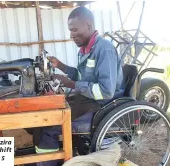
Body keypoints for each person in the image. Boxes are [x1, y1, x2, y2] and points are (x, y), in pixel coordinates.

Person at [35, 6, 125, 166]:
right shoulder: (84, 49)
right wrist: (61, 66)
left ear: (89, 26)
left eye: (75, 30)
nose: (71, 35)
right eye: (70, 31)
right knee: (49, 113)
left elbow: (106, 91)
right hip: (89, 101)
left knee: (51, 123)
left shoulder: (104, 50)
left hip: (102, 106)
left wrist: (72, 84)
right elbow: (83, 77)